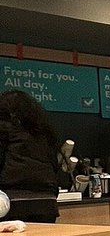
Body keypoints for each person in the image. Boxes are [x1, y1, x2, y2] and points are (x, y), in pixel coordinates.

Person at [0, 90, 62, 223]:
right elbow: (54, 166)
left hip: (12, 201)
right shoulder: (44, 134)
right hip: (47, 203)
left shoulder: (3, 131)